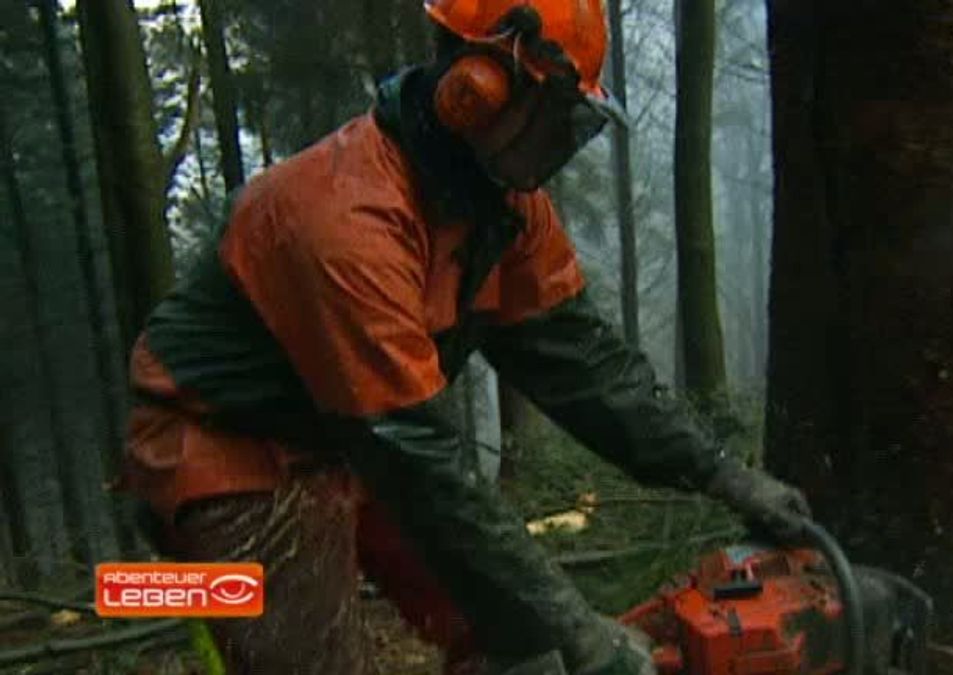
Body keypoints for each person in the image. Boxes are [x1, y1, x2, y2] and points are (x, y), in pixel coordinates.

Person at [121, 1, 812, 673]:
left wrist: (727, 474)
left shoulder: (502, 209)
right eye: (549, 119)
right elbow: (416, 456)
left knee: (507, 628)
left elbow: (589, 368)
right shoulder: (345, 219)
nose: (557, 148)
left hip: (351, 444)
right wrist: (573, 624)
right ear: (473, 92)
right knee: (325, 652)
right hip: (227, 452)